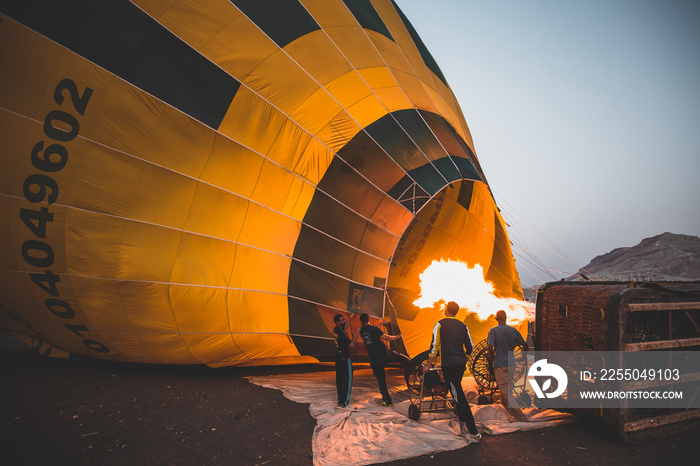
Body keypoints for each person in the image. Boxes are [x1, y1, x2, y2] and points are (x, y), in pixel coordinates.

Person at [422, 301, 481, 444]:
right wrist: (464, 360)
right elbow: (470, 347)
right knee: (456, 392)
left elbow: (434, 346)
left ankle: (473, 431)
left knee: (459, 396)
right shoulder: (463, 326)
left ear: (446, 310)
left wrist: (428, 365)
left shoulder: (440, 324)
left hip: (449, 365)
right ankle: (462, 423)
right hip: (460, 365)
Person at [355, 313, 407, 407]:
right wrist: (396, 337)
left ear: (361, 322)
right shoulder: (374, 329)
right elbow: (385, 337)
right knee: (401, 357)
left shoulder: (362, 331)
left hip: (375, 360)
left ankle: (387, 401)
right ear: (369, 319)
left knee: (381, 382)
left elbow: (375, 331)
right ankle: (416, 365)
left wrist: (381, 323)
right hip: (385, 354)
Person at [487, 309, 529, 422]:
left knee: (505, 390)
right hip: (511, 363)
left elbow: (490, 348)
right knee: (507, 388)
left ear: (496, 319)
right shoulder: (513, 331)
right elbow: (525, 345)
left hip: (500, 363)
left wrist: (492, 360)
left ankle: (520, 415)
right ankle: (507, 412)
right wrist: (523, 357)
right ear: (506, 318)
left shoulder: (493, 331)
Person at [333, 313, 355, 408]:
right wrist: (357, 332)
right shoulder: (343, 333)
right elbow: (352, 345)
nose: (344, 321)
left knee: (340, 380)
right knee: (347, 381)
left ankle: (340, 399)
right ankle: (345, 401)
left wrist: (350, 317)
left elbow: (344, 327)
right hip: (345, 360)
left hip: (338, 359)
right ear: (338, 322)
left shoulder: (336, 330)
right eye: (342, 320)